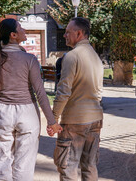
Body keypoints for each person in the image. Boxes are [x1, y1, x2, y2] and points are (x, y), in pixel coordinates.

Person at [0, 18, 62, 181]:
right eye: (21, 27)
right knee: (24, 164)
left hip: (3, 112)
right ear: (13, 35)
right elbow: (40, 93)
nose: (24, 29)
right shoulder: (29, 59)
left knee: (1, 162)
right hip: (28, 113)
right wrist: (52, 121)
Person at [48, 17, 104, 180]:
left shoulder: (72, 56)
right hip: (95, 119)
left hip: (74, 121)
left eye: (67, 32)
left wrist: (54, 119)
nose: (64, 35)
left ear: (79, 33)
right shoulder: (95, 56)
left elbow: (63, 91)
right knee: (90, 166)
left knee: (68, 167)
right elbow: (99, 91)